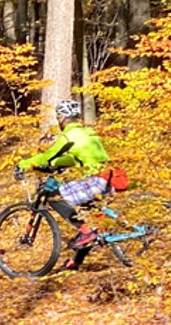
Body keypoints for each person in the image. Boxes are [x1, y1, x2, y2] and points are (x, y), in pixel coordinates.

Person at [16, 99, 109, 270]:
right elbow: (76, 158)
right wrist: (56, 164)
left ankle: (86, 231)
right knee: (90, 220)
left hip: (95, 180)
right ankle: (76, 262)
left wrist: (23, 164)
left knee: (55, 197)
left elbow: (48, 155)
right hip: (107, 177)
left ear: (62, 118)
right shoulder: (87, 132)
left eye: (58, 117)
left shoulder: (68, 135)